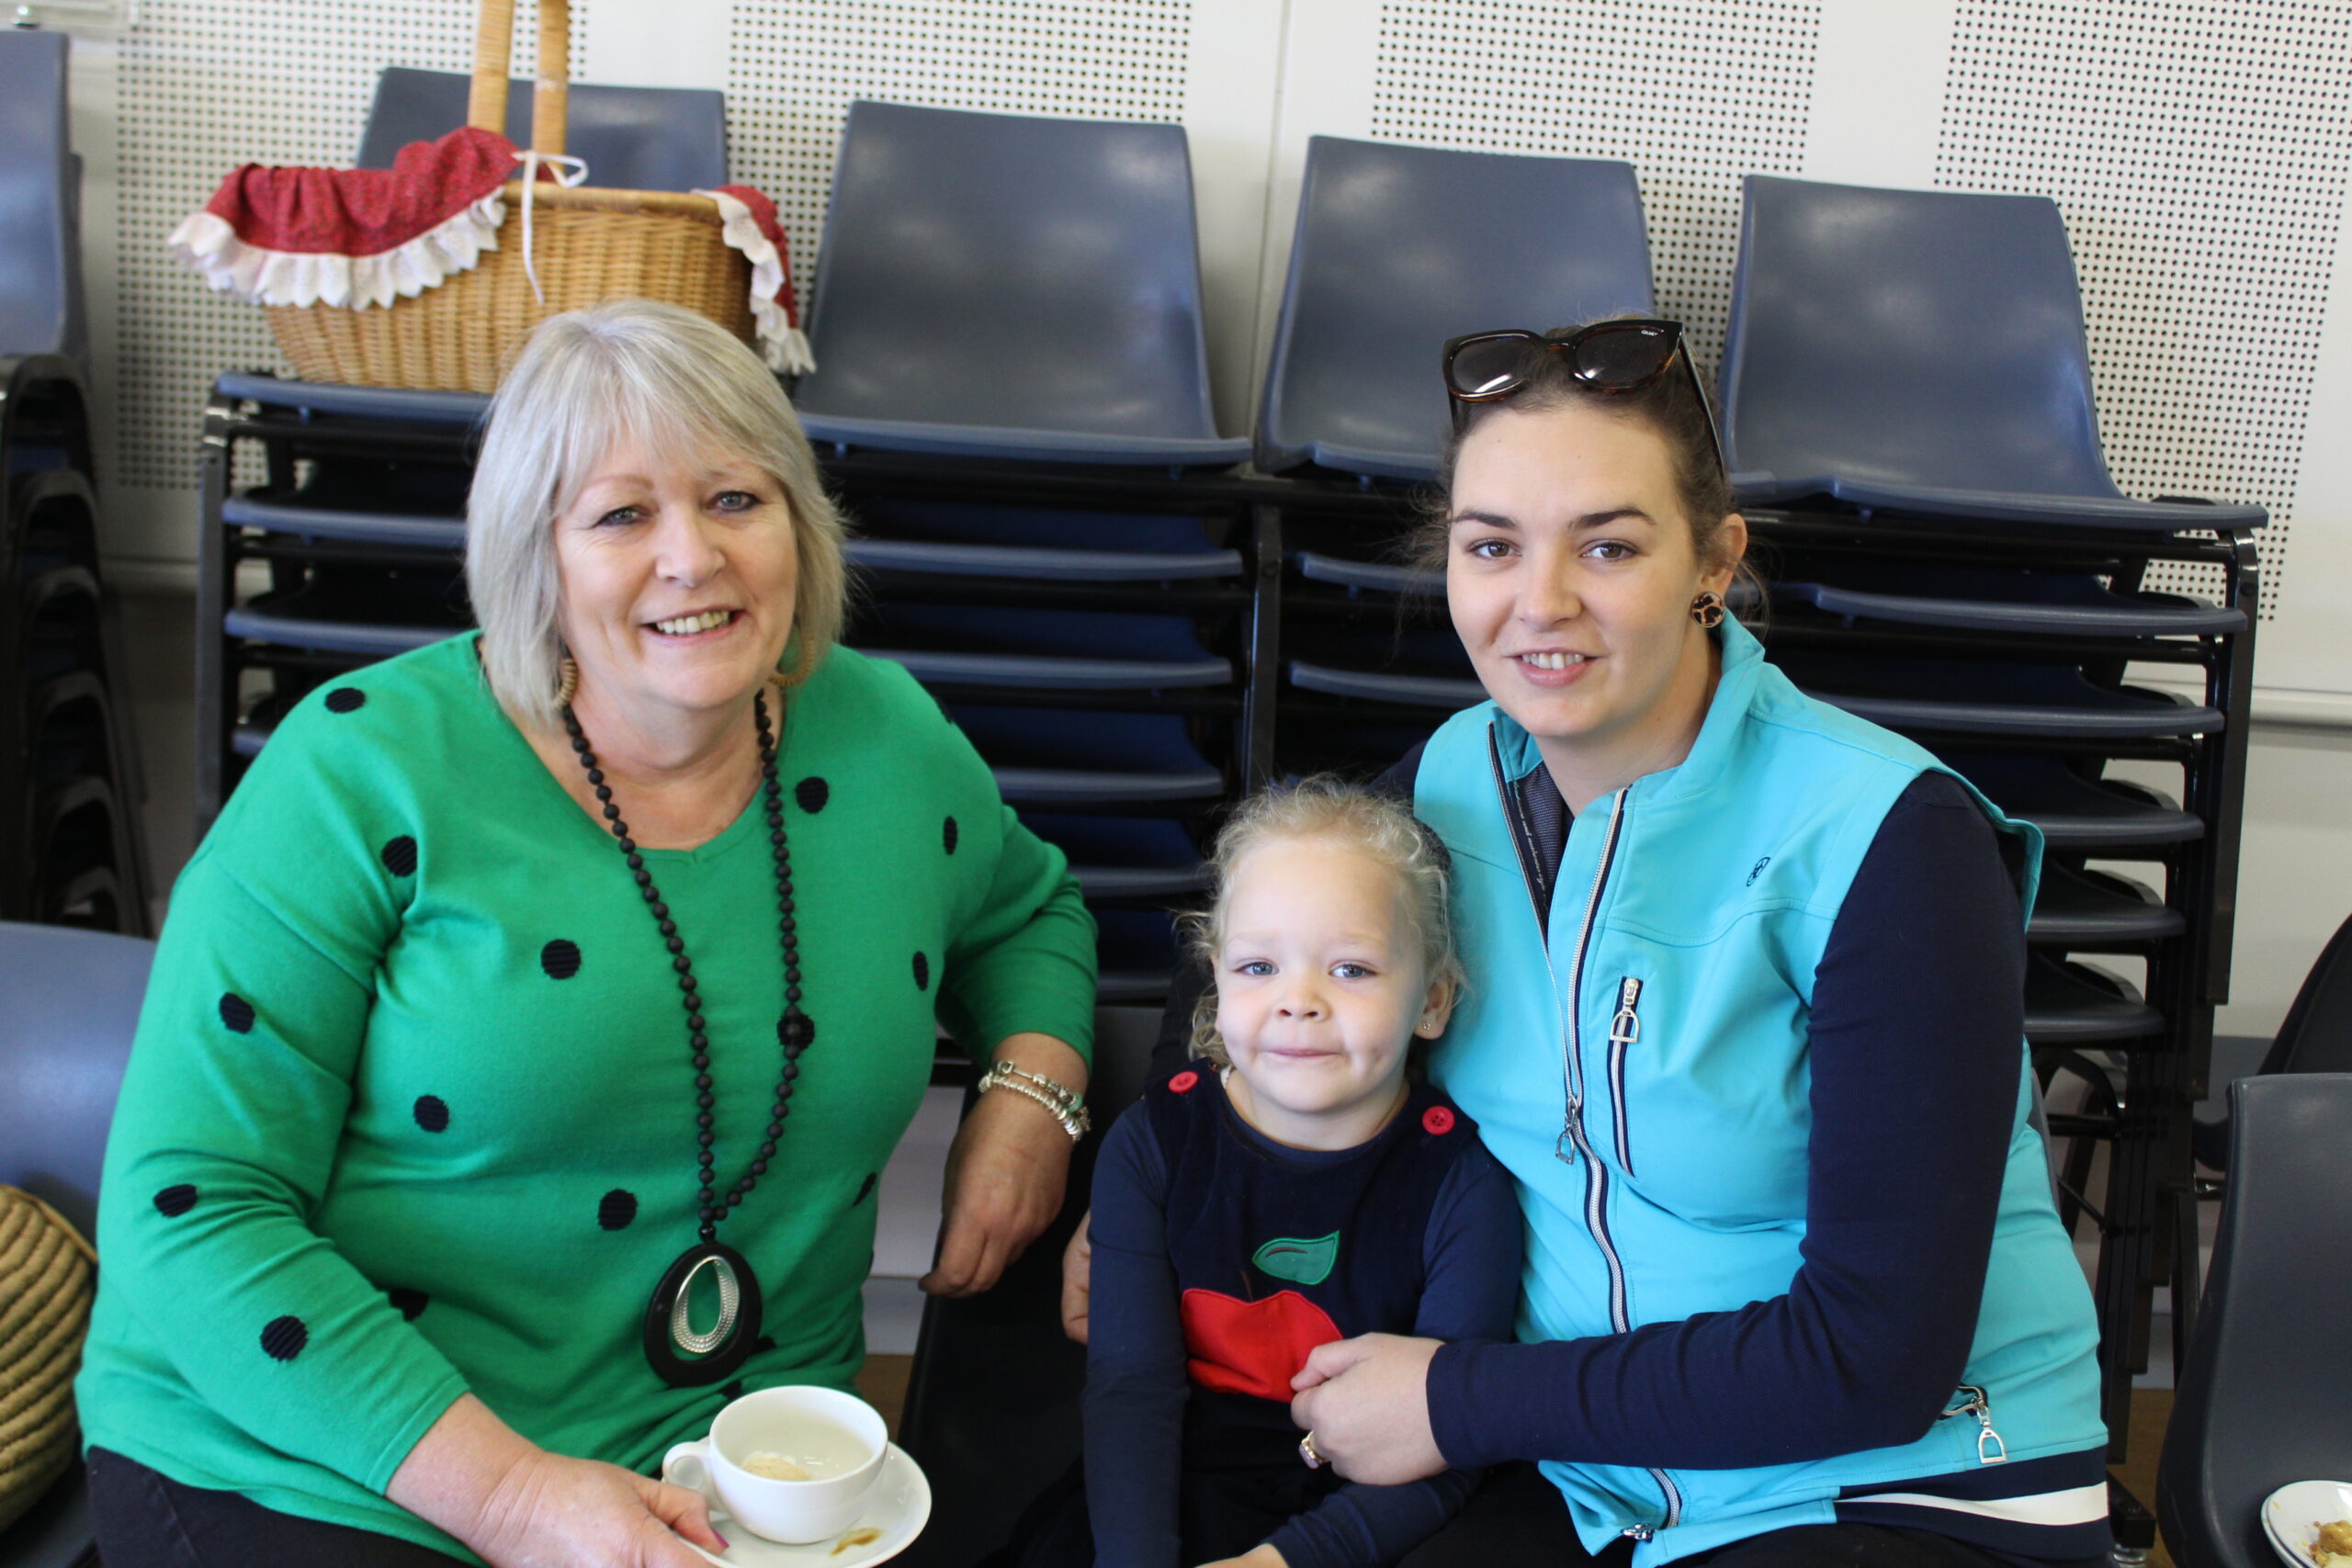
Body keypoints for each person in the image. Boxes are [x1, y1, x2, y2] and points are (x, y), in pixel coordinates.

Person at [1071, 319, 2109, 1568]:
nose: (1540, 602)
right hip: (1583, 1473)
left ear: (1714, 562)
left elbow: (1871, 1355)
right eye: (1491, 546)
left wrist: (1456, 1398)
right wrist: (1154, 1187)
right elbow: (1238, 941)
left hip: (1899, 1480)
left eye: (1608, 544)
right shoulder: (1457, 777)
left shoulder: (1890, 837)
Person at [80, 299, 1100, 1568]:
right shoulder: (357, 772)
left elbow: (1029, 906)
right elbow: (190, 1204)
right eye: (622, 514)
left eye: (738, 498)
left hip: (731, 1463)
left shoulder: (888, 739)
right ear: (536, 556)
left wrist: (1031, 1094)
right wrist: (515, 1500)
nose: (693, 556)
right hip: (332, 1454)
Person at [1011, 779, 1521, 1568]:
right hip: (1161, 1489)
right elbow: (1131, 1392)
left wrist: (1279, 1562)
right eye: (1257, 965)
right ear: (1215, 983)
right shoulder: (1152, 1145)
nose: (1298, 1001)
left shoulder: (1464, 1186)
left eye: (1351, 969)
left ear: (1434, 999)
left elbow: (1448, 1445)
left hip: (1364, 1513)